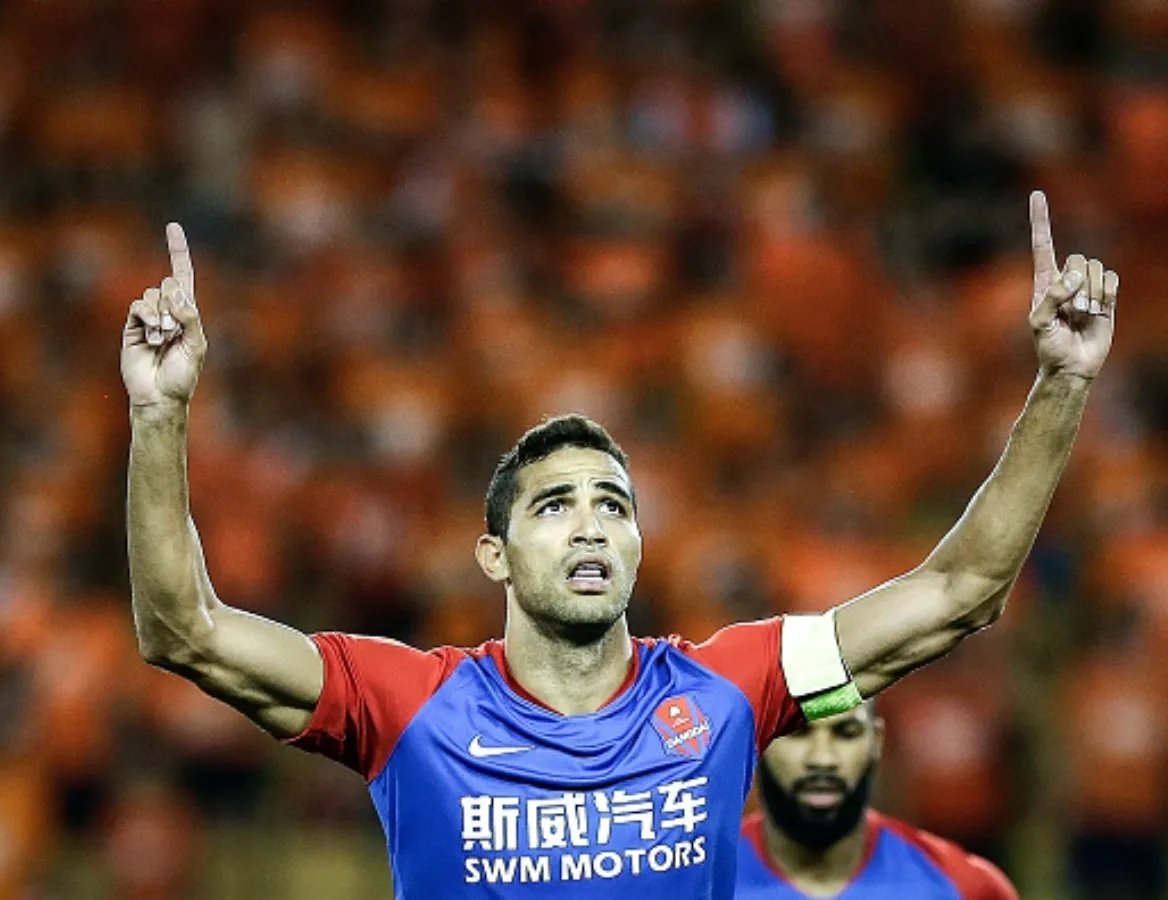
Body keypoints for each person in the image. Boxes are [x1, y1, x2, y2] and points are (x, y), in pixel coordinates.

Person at [121, 191, 1116, 899]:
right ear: (494, 556)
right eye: (554, 506)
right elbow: (185, 632)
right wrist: (160, 417)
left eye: (613, 504)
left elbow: (961, 590)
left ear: (640, 545)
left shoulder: (730, 690)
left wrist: (1062, 384)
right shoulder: (408, 704)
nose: (591, 522)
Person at [736, 701, 1018, 898]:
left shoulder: (966, 887)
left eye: (846, 733)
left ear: (877, 740)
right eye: (796, 733)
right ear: (759, 741)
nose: (822, 759)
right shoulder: (708, 879)